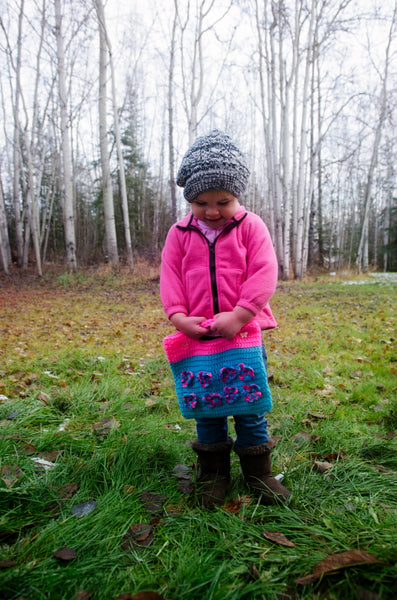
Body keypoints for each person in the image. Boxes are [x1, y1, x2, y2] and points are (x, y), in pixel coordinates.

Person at [160, 130, 290, 509]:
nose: (213, 211)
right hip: (199, 337)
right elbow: (170, 276)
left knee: (249, 403)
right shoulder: (180, 233)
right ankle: (213, 474)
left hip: (244, 333)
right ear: (189, 199)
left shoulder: (251, 227)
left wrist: (242, 313)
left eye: (224, 201)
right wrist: (178, 316)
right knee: (207, 405)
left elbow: (264, 272)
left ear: (239, 196)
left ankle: (258, 472)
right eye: (201, 202)